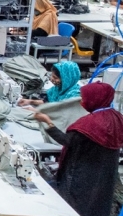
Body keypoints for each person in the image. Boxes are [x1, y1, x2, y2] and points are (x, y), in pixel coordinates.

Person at [33, 82, 123, 216]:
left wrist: (48, 122)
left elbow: (66, 141)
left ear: (95, 98)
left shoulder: (90, 124)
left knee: (75, 207)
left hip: (83, 176)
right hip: (105, 176)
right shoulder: (116, 117)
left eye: (84, 98)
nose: (82, 101)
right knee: (97, 204)